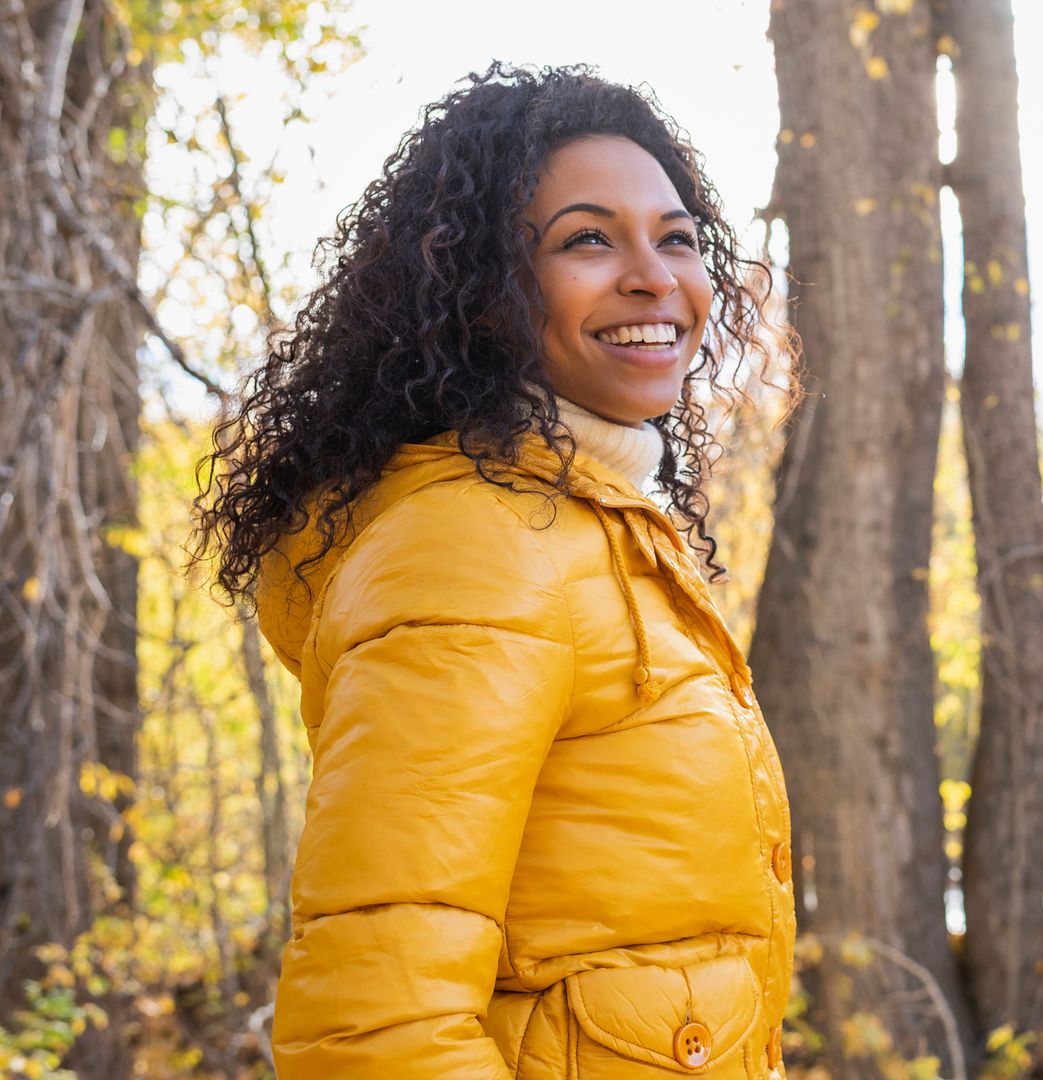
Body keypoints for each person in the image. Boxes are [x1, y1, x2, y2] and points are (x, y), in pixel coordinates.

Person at [192, 63, 799, 1079]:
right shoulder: (473, 551)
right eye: (588, 240)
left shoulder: (598, 534)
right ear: (480, 293)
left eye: (678, 237)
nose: (655, 276)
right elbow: (375, 1025)